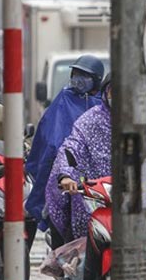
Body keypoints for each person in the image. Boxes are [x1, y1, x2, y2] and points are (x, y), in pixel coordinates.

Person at [45, 74, 146, 280]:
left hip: (126, 194)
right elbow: (71, 147)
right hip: (91, 193)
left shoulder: (137, 125)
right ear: (107, 93)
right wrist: (67, 176)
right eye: (115, 92)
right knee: (76, 219)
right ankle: (69, 274)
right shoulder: (88, 121)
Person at [25, 54, 105, 244]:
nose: (78, 79)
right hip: (66, 170)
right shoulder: (64, 99)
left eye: (84, 75)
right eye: (75, 73)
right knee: (55, 204)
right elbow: (50, 139)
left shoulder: (105, 105)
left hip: (99, 175)